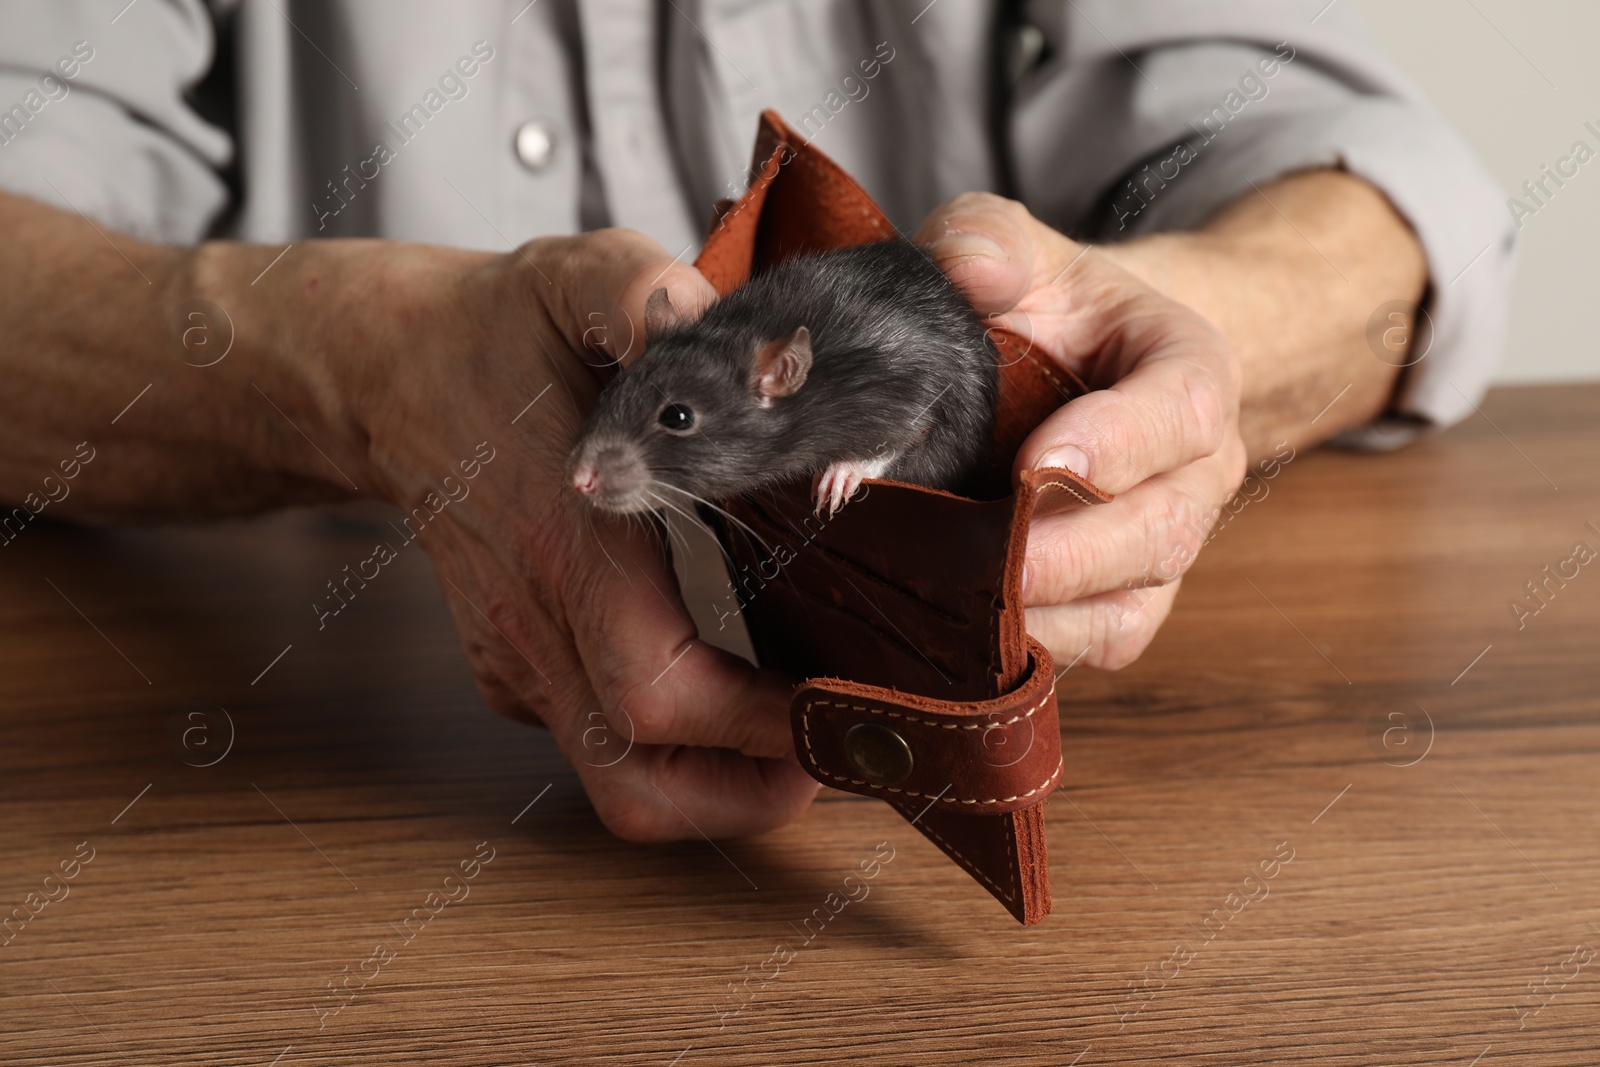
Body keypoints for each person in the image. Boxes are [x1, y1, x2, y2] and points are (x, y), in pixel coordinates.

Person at [0, 2, 1511, 841]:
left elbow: (1354, 163)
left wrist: (1185, 330)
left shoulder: (830, 386)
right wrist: (363, 357)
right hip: (388, 715)